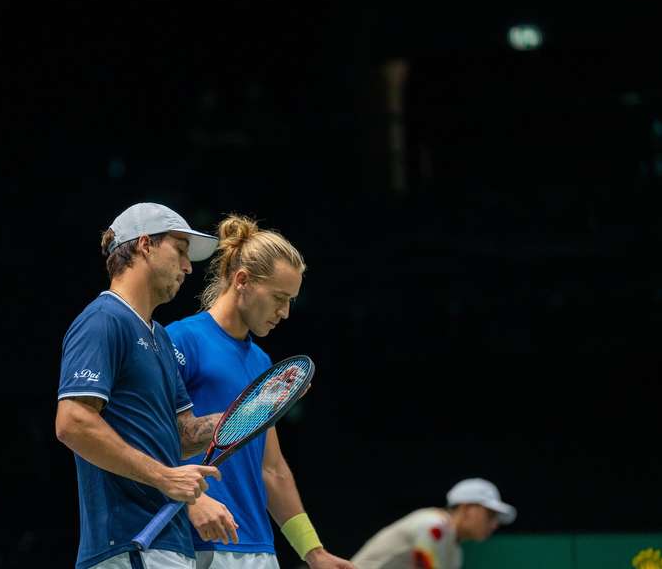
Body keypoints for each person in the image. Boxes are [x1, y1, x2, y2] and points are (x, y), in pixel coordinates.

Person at [166, 214, 354, 569]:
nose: (284, 313)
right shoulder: (181, 339)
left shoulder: (261, 360)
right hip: (198, 544)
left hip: (258, 547)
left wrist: (314, 553)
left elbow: (272, 469)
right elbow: (148, 436)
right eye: (278, 298)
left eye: (291, 302)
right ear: (242, 281)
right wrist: (191, 501)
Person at [55, 202, 228, 569]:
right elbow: (72, 423)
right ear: (145, 245)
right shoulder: (102, 321)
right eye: (179, 251)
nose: (187, 266)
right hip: (129, 544)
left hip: (168, 543)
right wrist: (165, 477)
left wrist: (250, 413)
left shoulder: (160, 338)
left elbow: (182, 435)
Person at [350, 478, 516, 569]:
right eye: (490, 514)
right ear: (467, 508)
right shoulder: (433, 525)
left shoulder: (455, 553)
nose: (494, 524)